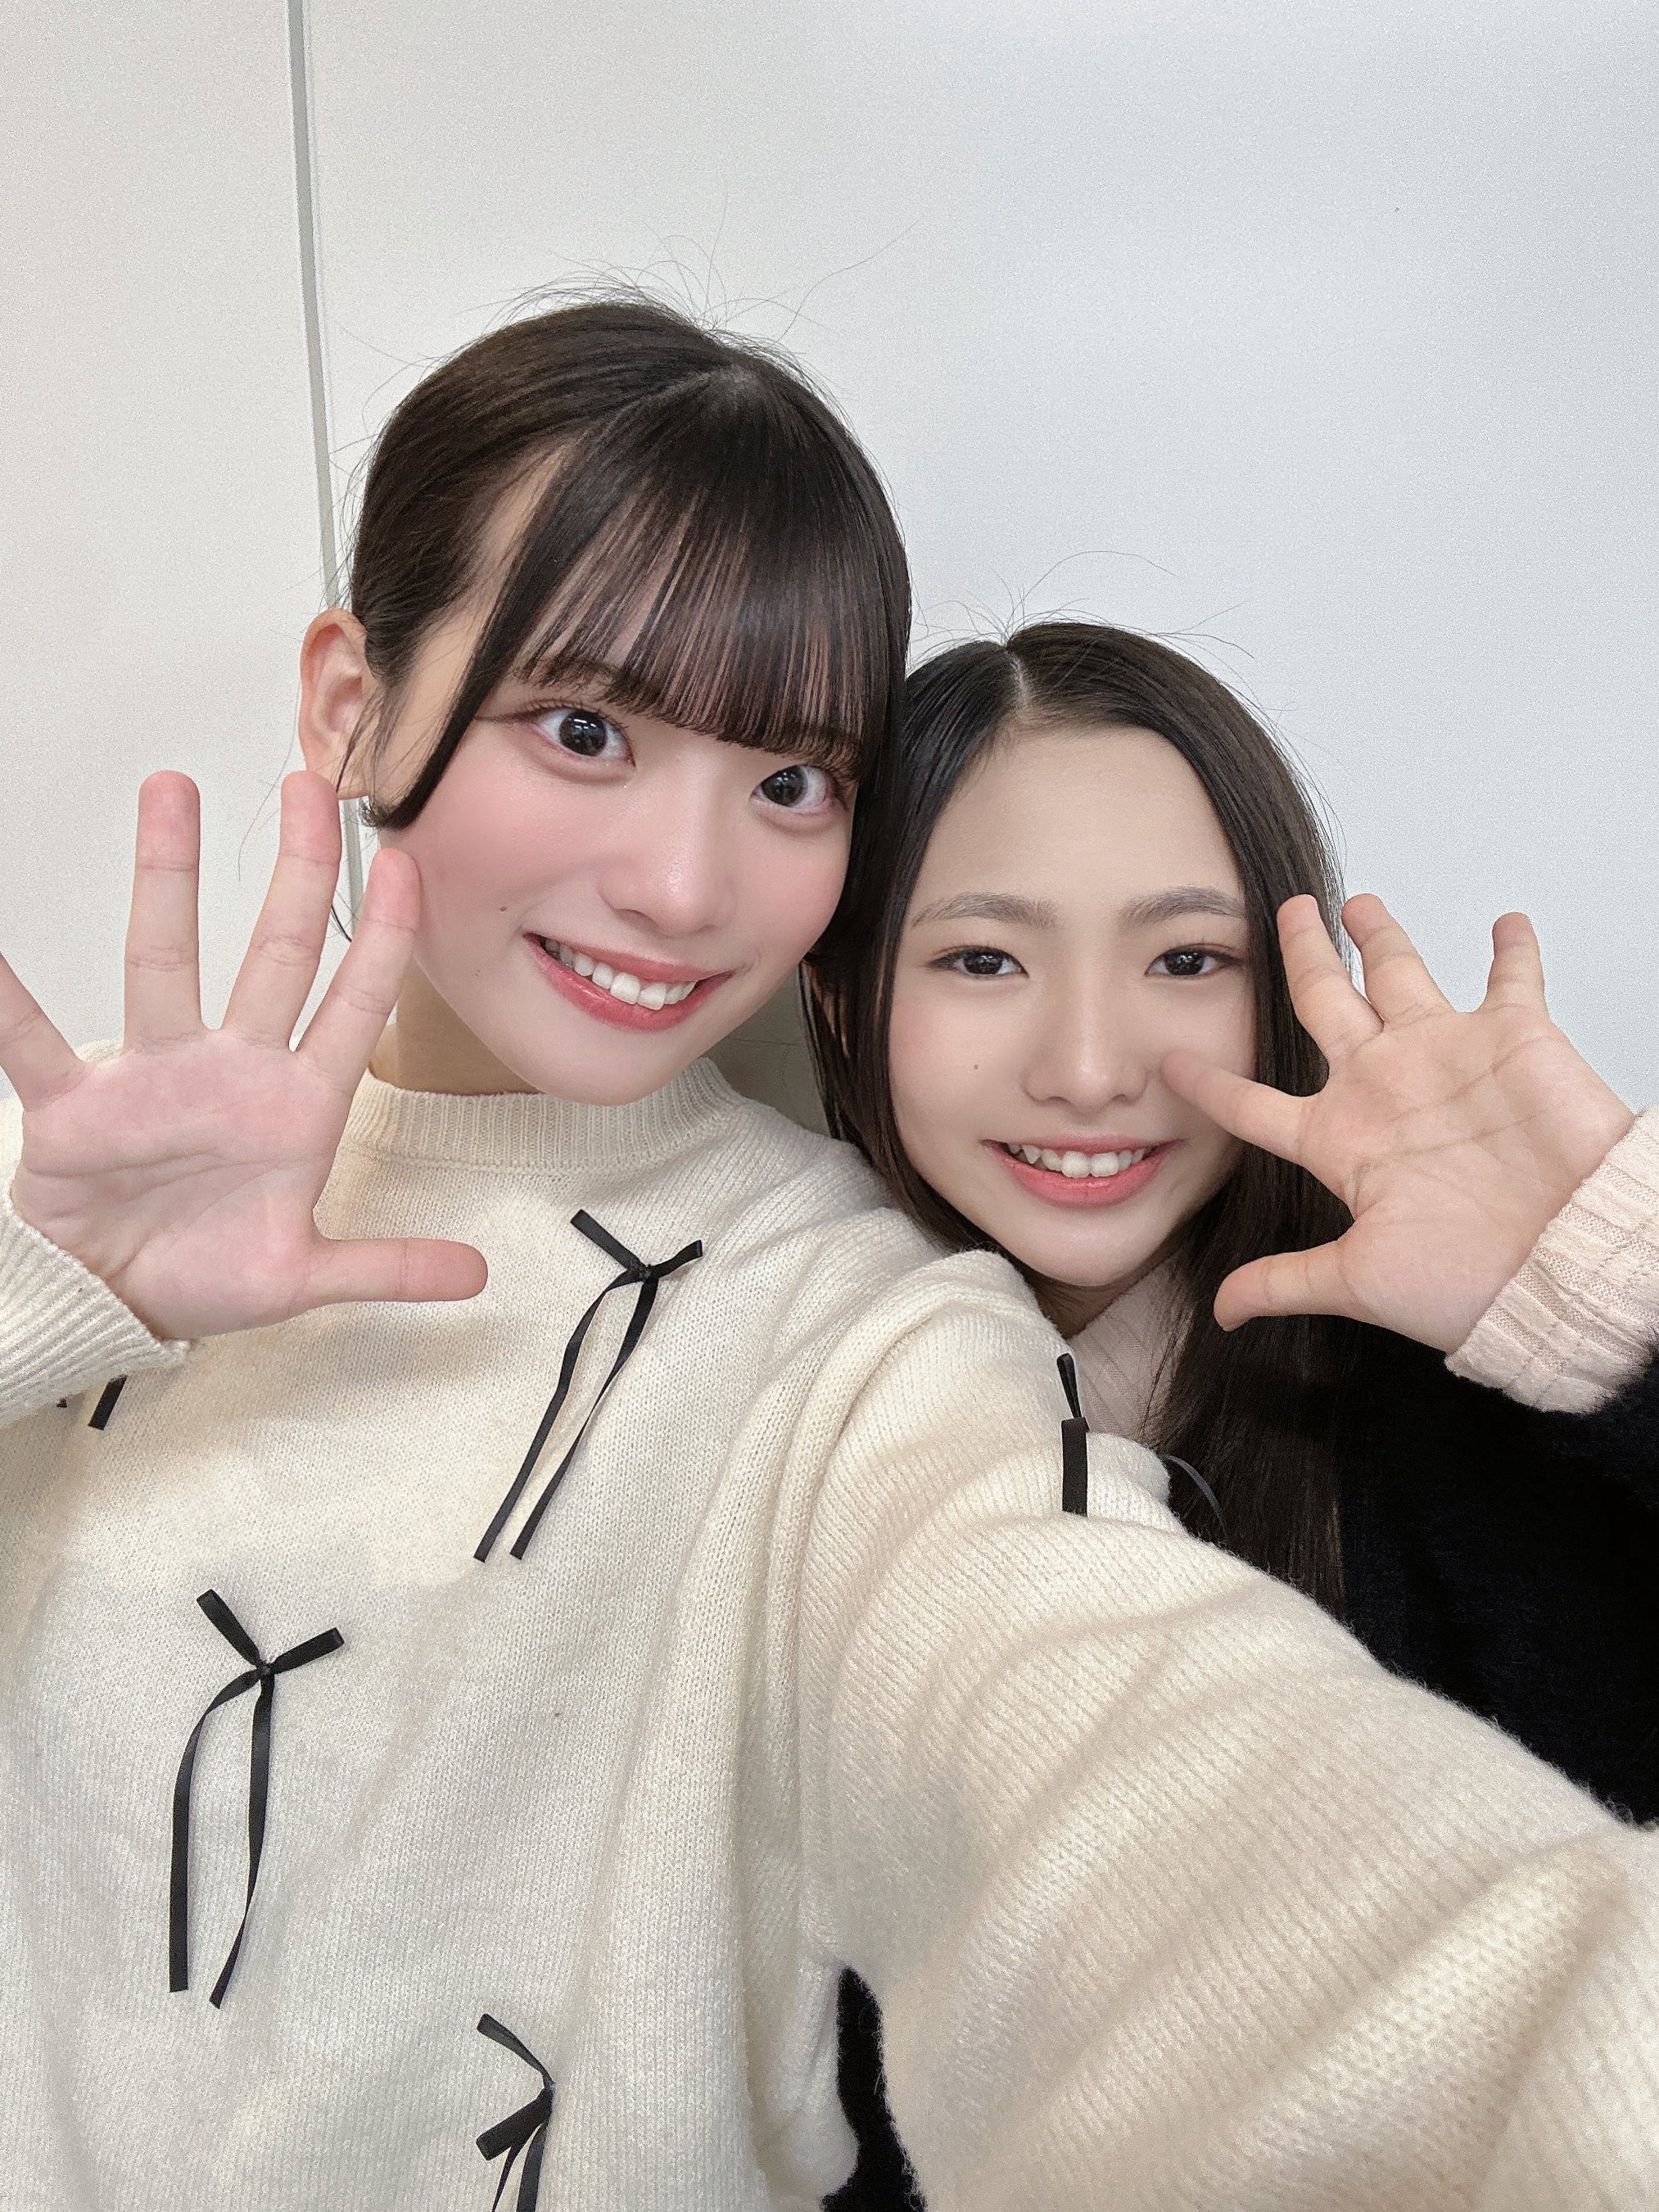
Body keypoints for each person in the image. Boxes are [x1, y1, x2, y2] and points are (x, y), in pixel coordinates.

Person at [6, 314, 1659, 2212]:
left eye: (789, 779)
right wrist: (45, 1300)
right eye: (584, 730)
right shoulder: (77, 1191)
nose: (683, 886)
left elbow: (1148, 1765)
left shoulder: (866, 1337)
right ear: (347, 703)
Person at [807, 620, 1659, 2205]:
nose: (1086, 1068)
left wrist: (1607, 1294)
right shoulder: (789, 1428)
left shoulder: (1439, 1401)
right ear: (843, 997)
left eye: (1183, 961)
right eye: (981, 958)